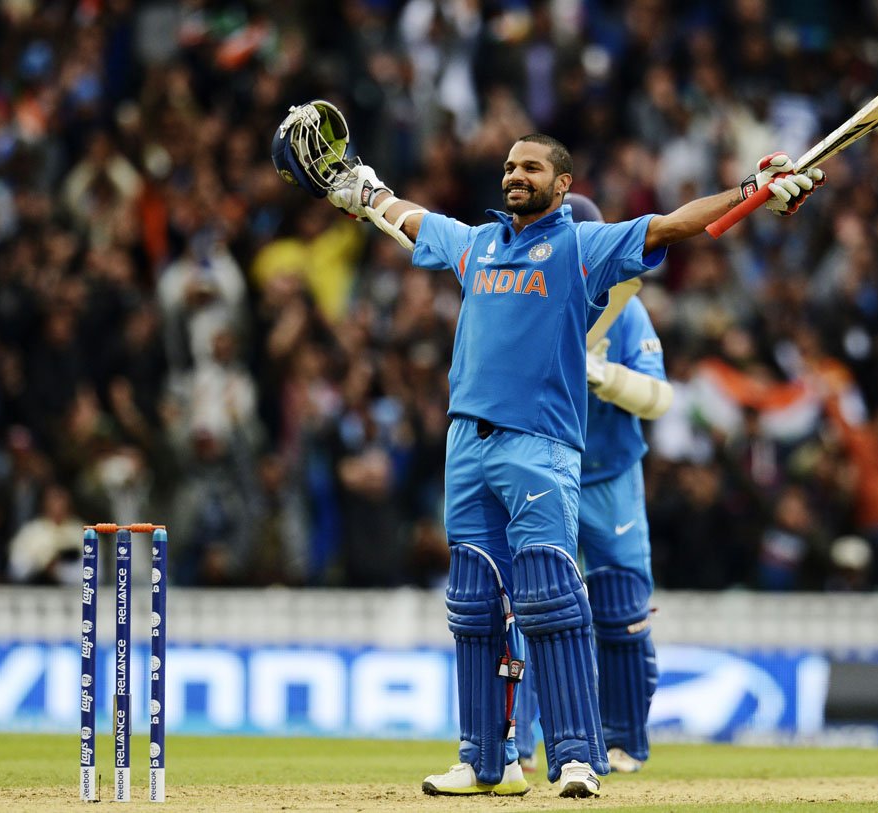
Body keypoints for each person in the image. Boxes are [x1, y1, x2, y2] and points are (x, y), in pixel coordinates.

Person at [272, 101, 824, 798]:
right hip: (465, 442)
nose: (514, 175)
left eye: (530, 166)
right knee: (473, 603)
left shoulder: (581, 248)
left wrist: (752, 189)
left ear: (562, 185)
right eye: (508, 166)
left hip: (540, 446)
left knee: (551, 599)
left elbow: (679, 224)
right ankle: (484, 760)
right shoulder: (476, 244)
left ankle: (575, 757)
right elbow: (402, 214)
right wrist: (359, 189)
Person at [513, 192, 672, 776]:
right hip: (539, 467)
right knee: (530, 604)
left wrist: (605, 375)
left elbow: (659, 399)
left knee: (622, 609)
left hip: (607, 475)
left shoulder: (626, 311)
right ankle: (516, 744)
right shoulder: (519, 299)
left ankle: (623, 739)